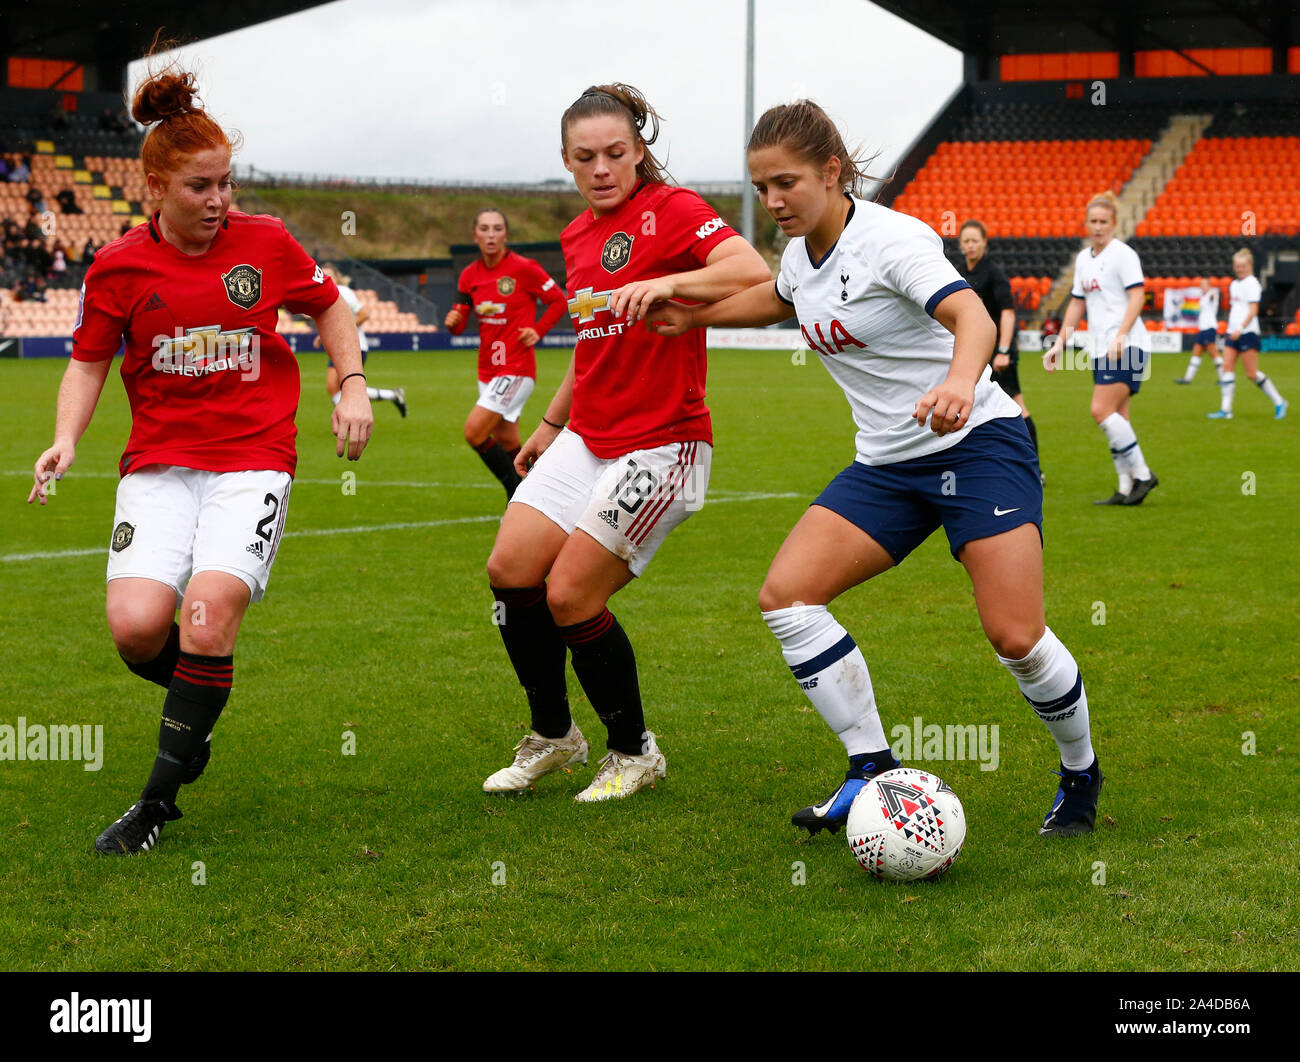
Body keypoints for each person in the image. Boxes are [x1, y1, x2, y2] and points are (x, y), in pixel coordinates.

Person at [648, 100, 1104, 838]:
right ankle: (871, 770)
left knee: (1015, 636)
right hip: (888, 466)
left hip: (979, 445)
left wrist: (961, 381)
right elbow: (778, 295)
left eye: (785, 183)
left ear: (832, 172)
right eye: (760, 187)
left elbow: (973, 318)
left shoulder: (893, 240)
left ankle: (1080, 775)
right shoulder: (800, 255)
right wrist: (693, 315)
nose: (771, 203)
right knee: (788, 597)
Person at [25, 59, 373, 855]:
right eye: (200, 187)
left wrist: (351, 383)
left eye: (226, 183)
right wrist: (66, 439)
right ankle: (197, 706)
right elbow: (88, 362)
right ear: (153, 187)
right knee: (137, 630)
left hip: (252, 458)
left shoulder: (265, 242)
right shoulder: (115, 268)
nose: (219, 201)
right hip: (159, 463)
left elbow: (330, 309)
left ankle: (155, 801)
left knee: (206, 619)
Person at [481, 83, 770, 802]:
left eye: (616, 152)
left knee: (570, 594)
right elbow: (593, 345)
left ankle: (634, 751)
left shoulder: (675, 211)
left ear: (639, 151)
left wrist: (672, 281)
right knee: (511, 570)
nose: (603, 167)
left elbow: (753, 270)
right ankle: (554, 737)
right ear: (566, 162)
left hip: (664, 444)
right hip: (587, 435)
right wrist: (549, 426)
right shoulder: (578, 236)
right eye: (586, 157)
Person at [444, 209, 567, 499]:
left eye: (497, 229)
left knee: (474, 432)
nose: (491, 235)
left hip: (516, 367)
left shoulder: (525, 268)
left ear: (506, 235)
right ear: (475, 236)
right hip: (487, 370)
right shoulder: (468, 276)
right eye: (484, 229)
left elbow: (558, 301)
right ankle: (546, 497)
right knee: (508, 440)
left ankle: (516, 493)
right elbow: (459, 326)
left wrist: (538, 330)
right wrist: (453, 322)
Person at [1044, 192, 1158, 506]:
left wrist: (1121, 335)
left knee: (1100, 410)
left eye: (1103, 222)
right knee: (1118, 415)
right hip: (1099, 348)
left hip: (1127, 346)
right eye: (1093, 221)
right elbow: (1077, 303)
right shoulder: (1083, 259)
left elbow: (1137, 296)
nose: (1098, 227)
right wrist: (1059, 343)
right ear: (1086, 224)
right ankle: (1125, 488)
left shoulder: (1123, 255)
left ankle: (1144, 474)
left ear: (1114, 224)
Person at [956, 219, 1043, 481]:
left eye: (975, 241)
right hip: (975, 350)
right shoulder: (959, 271)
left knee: (1017, 405)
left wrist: (1003, 349)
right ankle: (983, 465)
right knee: (973, 405)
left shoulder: (993, 272)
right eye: (966, 241)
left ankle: (1034, 468)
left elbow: (1007, 313)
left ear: (984, 242)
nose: (971, 246)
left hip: (998, 352)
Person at [1208, 249, 1287, 420]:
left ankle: (1279, 401)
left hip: (1247, 332)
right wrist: (1231, 328)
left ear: (1249, 266)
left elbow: (1253, 311)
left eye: (1243, 266)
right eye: (1237, 266)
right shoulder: (1234, 284)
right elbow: (1236, 309)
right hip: (1232, 332)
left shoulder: (1252, 284)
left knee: (1251, 373)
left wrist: (1240, 329)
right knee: (1227, 368)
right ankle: (1225, 410)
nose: (1239, 268)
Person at [319, 264, 406, 417]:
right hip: (342, 345)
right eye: (323, 275)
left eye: (330, 276)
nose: (327, 279)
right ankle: (391, 396)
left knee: (342, 386)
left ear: (337, 278)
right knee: (336, 386)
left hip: (353, 345)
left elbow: (364, 314)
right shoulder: (327, 293)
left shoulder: (342, 291)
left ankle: (347, 418)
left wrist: (341, 331)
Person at [1175, 277, 1222, 384]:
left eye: (1205, 285)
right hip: (1202, 329)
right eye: (1201, 285)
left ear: (1209, 286)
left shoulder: (1212, 294)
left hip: (1209, 328)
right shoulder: (1204, 297)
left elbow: (1213, 297)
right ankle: (1187, 378)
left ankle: (1224, 378)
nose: (1202, 287)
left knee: (1214, 354)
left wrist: (1211, 295)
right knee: (1196, 353)